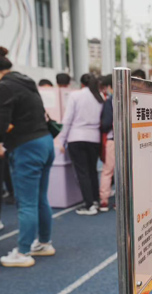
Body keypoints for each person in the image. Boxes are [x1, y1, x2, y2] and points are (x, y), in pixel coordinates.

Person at [0, 47, 56, 267]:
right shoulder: (25, 80)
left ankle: (23, 252)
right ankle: (44, 243)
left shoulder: (3, 87)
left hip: (27, 146)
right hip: (45, 141)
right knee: (40, 198)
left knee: (26, 203)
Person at [56, 74, 104, 216]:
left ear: (82, 84)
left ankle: (89, 205)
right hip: (94, 138)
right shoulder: (99, 96)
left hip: (76, 137)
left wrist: (61, 140)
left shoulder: (75, 95)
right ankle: (95, 200)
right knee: (92, 171)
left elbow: (68, 118)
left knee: (82, 172)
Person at [98, 75, 114, 212]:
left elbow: (106, 124)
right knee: (125, 172)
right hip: (128, 141)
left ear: (110, 87)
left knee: (107, 171)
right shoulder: (130, 100)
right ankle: (121, 202)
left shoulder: (110, 101)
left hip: (112, 141)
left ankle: (104, 200)